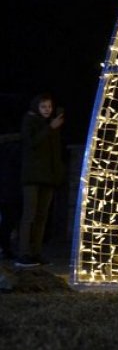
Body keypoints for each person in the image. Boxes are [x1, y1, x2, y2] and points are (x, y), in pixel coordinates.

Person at [16, 93, 65, 268]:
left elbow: (55, 151)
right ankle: (23, 253)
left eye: (49, 106)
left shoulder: (50, 124)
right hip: (32, 176)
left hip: (47, 177)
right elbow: (31, 143)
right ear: (37, 106)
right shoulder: (30, 121)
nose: (47, 110)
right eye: (43, 106)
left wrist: (57, 174)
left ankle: (36, 252)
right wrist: (50, 128)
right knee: (29, 215)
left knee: (42, 216)